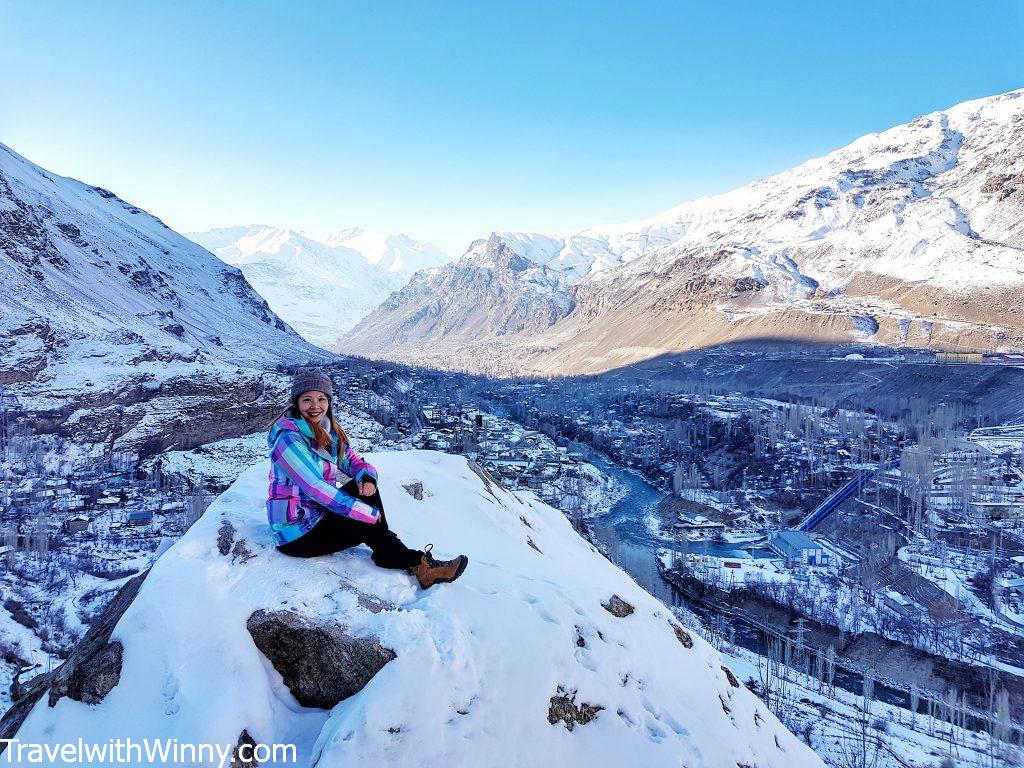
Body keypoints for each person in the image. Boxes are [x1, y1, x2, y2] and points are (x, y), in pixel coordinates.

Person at [266, 368, 468, 589]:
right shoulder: (289, 440)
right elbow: (316, 488)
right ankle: (417, 565)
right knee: (364, 516)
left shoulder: (323, 431)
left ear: (328, 401)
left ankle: (391, 553)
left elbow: (353, 462)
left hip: (315, 517)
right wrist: (367, 514)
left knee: (366, 491)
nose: (315, 406)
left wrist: (368, 478)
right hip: (295, 534)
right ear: (297, 402)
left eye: (321, 399)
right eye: (307, 399)